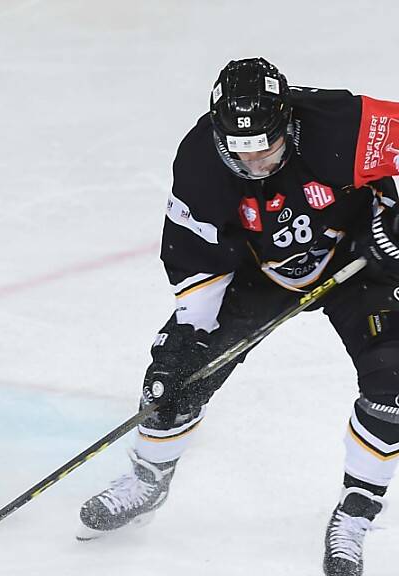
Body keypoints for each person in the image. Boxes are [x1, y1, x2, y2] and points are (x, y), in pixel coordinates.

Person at [77, 58, 399, 576]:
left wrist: (394, 218)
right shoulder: (200, 160)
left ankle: (357, 512)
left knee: (393, 385)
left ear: (287, 120)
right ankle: (147, 480)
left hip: (360, 261)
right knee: (178, 376)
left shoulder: (344, 122)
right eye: (242, 149)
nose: (257, 161)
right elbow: (197, 257)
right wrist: (186, 340)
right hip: (256, 272)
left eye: (267, 146)